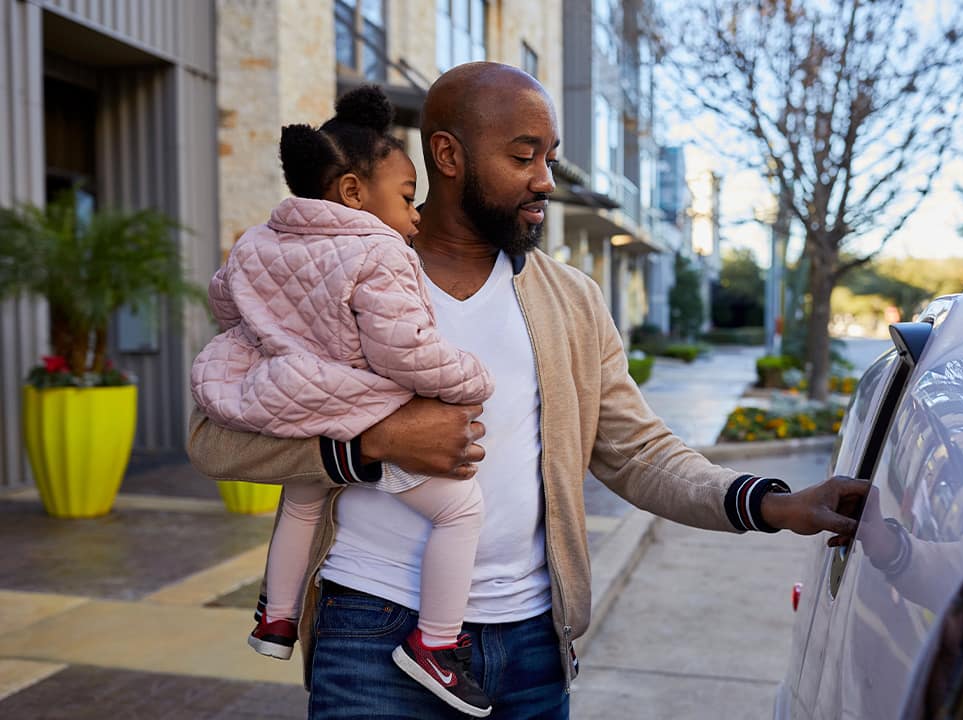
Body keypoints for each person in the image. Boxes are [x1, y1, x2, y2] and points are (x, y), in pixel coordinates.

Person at [187, 61, 869, 720]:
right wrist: (371, 446)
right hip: (371, 629)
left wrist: (774, 505)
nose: (545, 180)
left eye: (549, 156)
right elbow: (215, 438)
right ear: (448, 156)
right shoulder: (332, 272)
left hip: (532, 644)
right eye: (523, 157)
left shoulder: (570, 301)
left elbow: (637, 451)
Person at [189, 85, 496, 716]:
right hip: (356, 404)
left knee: (303, 500)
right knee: (461, 509)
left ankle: (276, 619)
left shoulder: (257, 240)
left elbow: (226, 302)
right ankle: (436, 644)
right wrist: (471, 378)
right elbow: (403, 352)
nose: (415, 215)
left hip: (290, 399)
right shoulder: (378, 250)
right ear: (354, 194)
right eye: (407, 197)